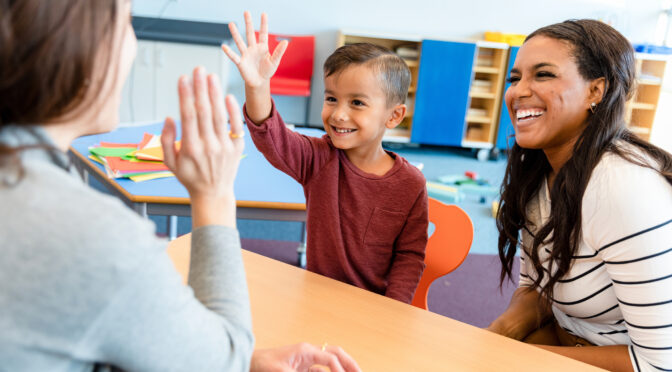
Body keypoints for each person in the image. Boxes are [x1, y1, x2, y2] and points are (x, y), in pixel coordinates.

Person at [0, 1, 361, 371]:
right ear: (76, 46)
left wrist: (242, 359)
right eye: (126, 23)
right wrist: (214, 193)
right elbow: (220, 362)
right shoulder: (96, 238)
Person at [487, 19, 672, 372]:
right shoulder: (538, 171)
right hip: (569, 338)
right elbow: (537, 289)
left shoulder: (623, 188)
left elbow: (659, 363)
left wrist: (518, 359)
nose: (517, 92)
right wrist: (493, 336)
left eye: (542, 75)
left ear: (595, 91)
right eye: (515, 78)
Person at [222, 12, 428, 304]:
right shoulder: (319, 158)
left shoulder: (411, 183)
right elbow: (272, 137)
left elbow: (409, 256)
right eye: (331, 98)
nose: (339, 113)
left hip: (376, 309)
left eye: (357, 102)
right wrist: (258, 86)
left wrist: (391, 311)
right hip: (317, 300)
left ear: (393, 116)